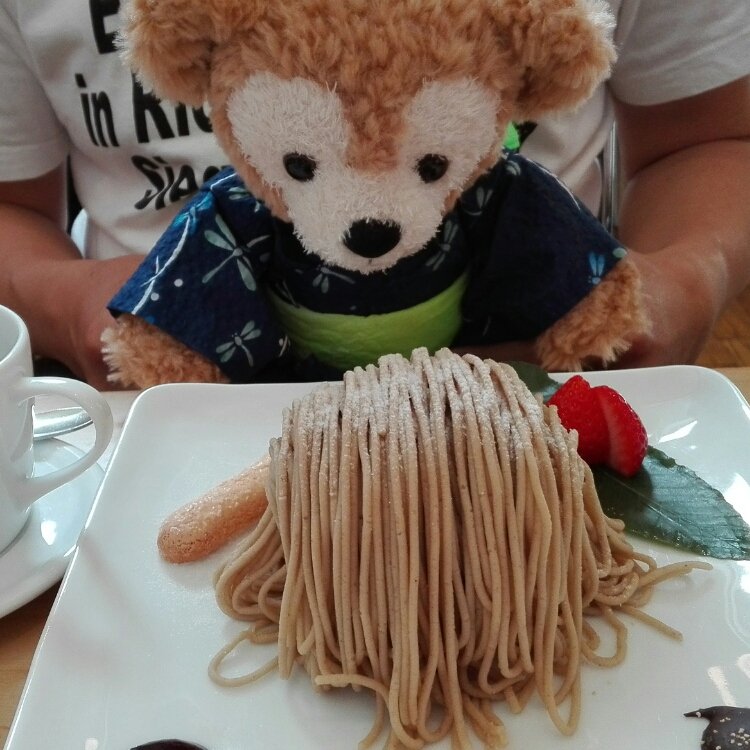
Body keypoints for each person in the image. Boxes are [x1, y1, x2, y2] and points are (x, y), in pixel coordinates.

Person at [1, 1, 749, 389]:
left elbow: (710, 138)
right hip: (204, 401)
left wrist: (686, 275)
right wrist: (86, 309)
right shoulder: (228, 218)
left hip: (528, 378)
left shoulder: (509, 199)